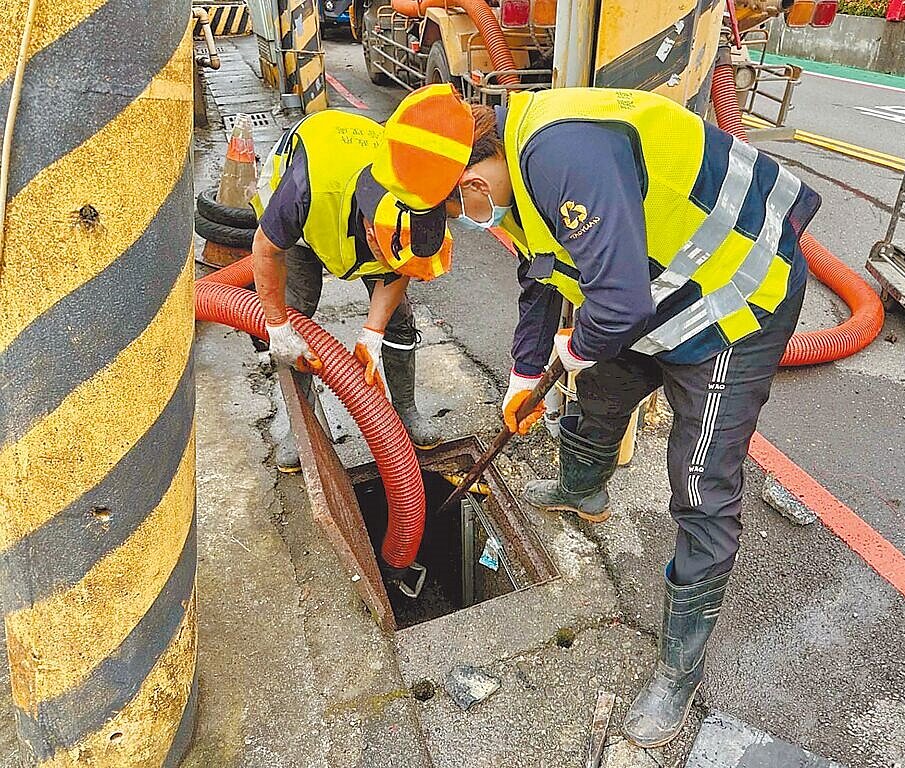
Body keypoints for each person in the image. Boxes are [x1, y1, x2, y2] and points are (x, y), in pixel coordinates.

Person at [374, 85, 820, 747]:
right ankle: (583, 488)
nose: (467, 221)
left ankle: (678, 672)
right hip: (653, 297)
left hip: (734, 302)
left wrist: (573, 350)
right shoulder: (521, 176)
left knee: (701, 486)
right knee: (601, 393)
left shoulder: (563, 155)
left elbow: (615, 308)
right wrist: (527, 376)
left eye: (454, 209)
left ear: (470, 181)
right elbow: (542, 276)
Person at [249, 89, 473, 469]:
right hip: (306, 227)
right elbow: (265, 249)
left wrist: (372, 332)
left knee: (399, 323)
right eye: (390, 255)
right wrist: (275, 323)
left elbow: (402, 267)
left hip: (360, 183)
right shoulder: (305, 190)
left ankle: (405, 410)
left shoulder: (410, 188)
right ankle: (301, 428)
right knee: (295, 320)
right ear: (373, 233)